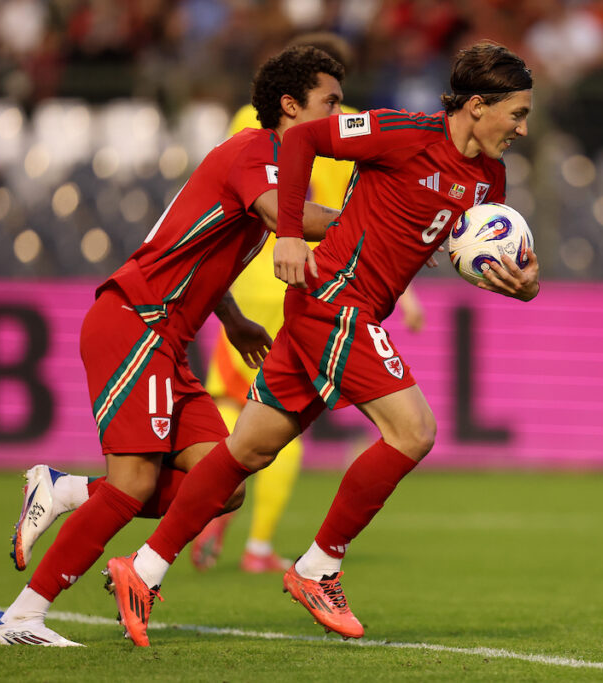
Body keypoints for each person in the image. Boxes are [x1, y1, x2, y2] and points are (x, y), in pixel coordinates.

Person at [103, 40, 538, 648]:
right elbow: (305, 139)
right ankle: (319, 567)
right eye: (515, 114)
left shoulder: (490, 178)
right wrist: (286, 233)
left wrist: (524, 285)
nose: (522, 128)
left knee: (246, 450)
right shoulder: (400, 129)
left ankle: (143, 570)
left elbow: (476, 245)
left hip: (345, 309)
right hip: (332, 299)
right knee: (413, 432)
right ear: (474, 105)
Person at [0, 45, 346, 647]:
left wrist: (229, 317)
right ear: (290, 106)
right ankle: (21, 619)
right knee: (130, 484)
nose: (338, 116)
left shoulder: (270, 166)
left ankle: (67, 490)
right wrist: (380, 220)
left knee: (223, 484)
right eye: (329, 103)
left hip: (167, 340)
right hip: (135, 321)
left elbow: (201, 246)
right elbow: (286, 216)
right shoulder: (260, 151)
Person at [191, 33, 426, 575]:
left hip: (262, 273)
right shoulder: (363, 127)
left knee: (248, 403)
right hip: (325, 280)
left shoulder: (248, 120)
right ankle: (254, 540)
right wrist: (405, 286)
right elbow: (373, 217)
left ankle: (220, 516)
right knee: (281, 412)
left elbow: (253, 186)